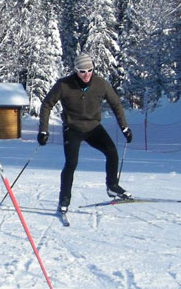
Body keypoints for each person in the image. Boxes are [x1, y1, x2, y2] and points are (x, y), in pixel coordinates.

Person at [37, 53, 133, 214]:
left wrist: (124, 127)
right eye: (82, 71)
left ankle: (112, 186)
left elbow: (116, 104)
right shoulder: (64, 85)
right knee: (71, 163)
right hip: (72, 129)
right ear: (75, 71)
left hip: (93, 128)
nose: (87, 74)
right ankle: (64, 199)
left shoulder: (100, 84)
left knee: (111, 151)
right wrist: (43, 130)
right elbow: (46, 104)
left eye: (90, 70)